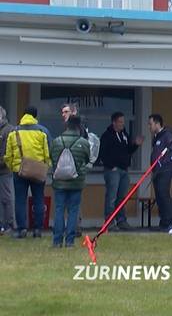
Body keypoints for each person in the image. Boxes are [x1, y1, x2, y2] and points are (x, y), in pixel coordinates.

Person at [3, 106, 50, 238]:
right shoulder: (42, 132)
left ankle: (22, 229)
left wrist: (13, 167)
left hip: (19, 171)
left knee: (20, 200)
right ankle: (37, 229)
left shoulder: (14, 132)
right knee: (39, 199)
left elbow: (8, 155)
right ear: (35, 116)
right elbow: (47, 154)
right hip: (38, 171)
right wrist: (45, 166)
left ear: (23, 115)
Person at [49, 115, 91, 248]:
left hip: (59, 181)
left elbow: (52, 158)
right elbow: (87, 159)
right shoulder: (83, 142)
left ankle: (57, 241)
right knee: (73, 211)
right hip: (76, 181)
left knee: (59, 210)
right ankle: (70, 241)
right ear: (79, 126)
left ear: (66, 126)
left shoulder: (56, 141)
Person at [99, 111, 142, 231]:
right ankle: (109, 222)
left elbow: (128, 150)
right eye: (120, 122)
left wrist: (136, 145)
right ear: (114, 122)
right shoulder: (107, 136)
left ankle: (121, 220)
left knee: (122, 197)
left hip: (124, 170)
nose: (122, 124)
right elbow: (102, 154)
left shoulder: (124, 135)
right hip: (113, 170)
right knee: (111, 197)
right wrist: (111, 165)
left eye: (123, 122)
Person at [148, 114, 172, 232]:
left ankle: (170, 222)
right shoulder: (156, 137)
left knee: (163, 194)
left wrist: (162, 164)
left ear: (157, 123)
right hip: (156, 171)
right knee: (159, 196)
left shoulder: (167, 136)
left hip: (165, 170)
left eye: (150, 124)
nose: (149, 127)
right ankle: (163, 221)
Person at [0, 105, 15, 235]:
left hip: (5, 170)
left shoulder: (8, 130)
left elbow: (8, 152)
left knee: (6, 198)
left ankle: (9, 224)